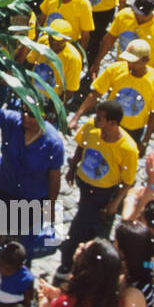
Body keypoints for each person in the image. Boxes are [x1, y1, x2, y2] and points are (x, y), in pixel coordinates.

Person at [59, 101, 138, 274]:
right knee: (86, 218)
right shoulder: (90, 128)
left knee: (83, 224)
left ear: (113, 123)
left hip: (102, 192)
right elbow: (81, 147)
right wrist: (72, 169)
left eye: (100, 118)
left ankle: (71, 261)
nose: (95, 120)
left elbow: (128, 181)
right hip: (85, 183)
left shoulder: (128, 149)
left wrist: (115, 202)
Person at [0, 106, 63, 255]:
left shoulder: (53, 144)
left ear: (45, 117)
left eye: (32, 114)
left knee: (24, 230)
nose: (26, 116)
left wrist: (50, 206)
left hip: (31, 196)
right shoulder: (12, 121)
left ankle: (17, 258)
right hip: (4, 184)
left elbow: (54, 178)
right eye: (24, 110)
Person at [75, 39, 154, 147]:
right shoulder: (116, 69)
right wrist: (76, 117)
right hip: (108, 123)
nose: (129, 64)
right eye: (128, 60)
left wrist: (145, 141)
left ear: (146, 60)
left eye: (134, 61)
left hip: (132, 131)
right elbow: (95, 94)